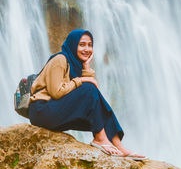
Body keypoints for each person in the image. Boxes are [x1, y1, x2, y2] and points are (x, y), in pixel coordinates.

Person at [29, 29, 147, 159]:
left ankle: (118, 145)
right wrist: (82, 79)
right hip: (41, 111)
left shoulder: (75, 64)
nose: (87, 49)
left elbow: (90, 95)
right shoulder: (60, 60)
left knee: (94, 96)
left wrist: (86, 67)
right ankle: (100, 139)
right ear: (73, 44)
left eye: (90, 45)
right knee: (89, 89)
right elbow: (56, 92)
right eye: (82, 44)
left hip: (55, 111)